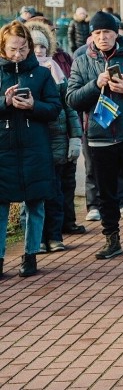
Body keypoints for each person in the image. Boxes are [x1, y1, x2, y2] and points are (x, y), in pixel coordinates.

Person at [66, 11, 123, 260]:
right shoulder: (81, 61)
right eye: (97, 33)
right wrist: (95, 85)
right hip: (99, 137)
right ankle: (111, 239)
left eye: (107, 32)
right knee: (106, 194)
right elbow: (72, 99)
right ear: (91, 36)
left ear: (116, 32)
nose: (102, 37)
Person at [0, 21, 61, 277]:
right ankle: (0, 257)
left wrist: (34, 106)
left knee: (36, 203)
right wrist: (4, 102)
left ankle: (30, 254)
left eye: (23, 48)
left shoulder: (43, 74)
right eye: (13, 49)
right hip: (3, 148)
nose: (18, 54)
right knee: (0, 205)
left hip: (35, 147)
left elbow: (55, 108)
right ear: (3, 47)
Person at [26, 22, 83, 253]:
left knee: (55, 193)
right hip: (33, 143)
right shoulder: (21, 72)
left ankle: (54, 236)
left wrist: (75, 137)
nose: (38, 50)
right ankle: (36, 239)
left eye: (42, 45)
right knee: (33, 195)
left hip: (57, 141)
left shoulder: (56, 72)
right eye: (34, 45)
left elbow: (69, 107)